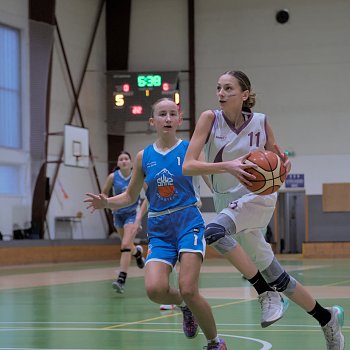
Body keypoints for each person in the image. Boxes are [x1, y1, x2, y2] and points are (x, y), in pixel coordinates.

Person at [182, 70, 345, 349]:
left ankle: (264, 293)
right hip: (227, 204)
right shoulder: (209, 119)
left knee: (214, 232)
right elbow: (188, 165)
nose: (221, 93)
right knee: (277, 275)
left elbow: (278, 157)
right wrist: (227, 166)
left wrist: (283, 165)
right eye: (219, 88)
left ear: (244, 94)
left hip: (258, 199)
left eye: (229, 88)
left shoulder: (261, 122)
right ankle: (326, 318)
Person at [101, 151, 147, 294]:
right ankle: (137, 253)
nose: (124, 161)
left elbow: (149, 193)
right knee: (127, 245)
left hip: (132, 214)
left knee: (125, 244)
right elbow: (103, 194)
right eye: (121, 159)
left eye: (126, 158)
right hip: (118, 215)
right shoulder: (112, 177)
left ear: (131, 162)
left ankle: (121, 279)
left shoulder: (137, 174)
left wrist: (141, 214)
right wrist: (108, 204)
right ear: (118, 163)